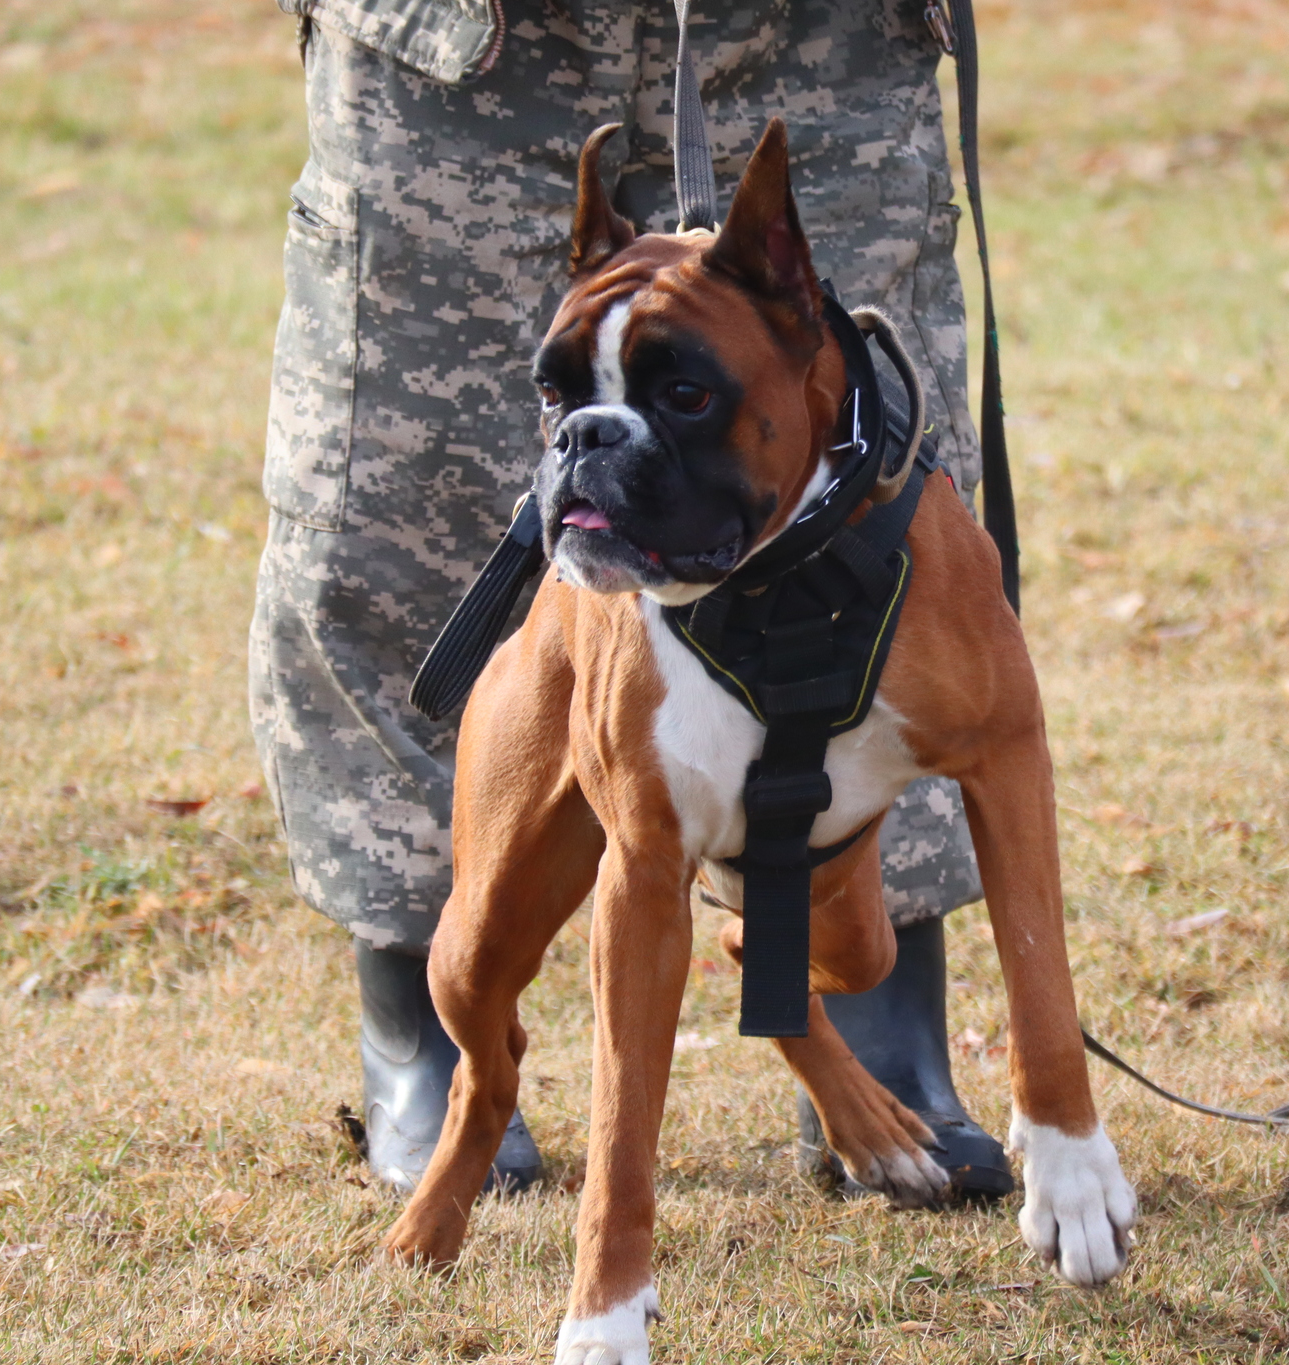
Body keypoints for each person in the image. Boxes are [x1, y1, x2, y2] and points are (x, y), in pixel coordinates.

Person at [247, 0, 1011, 1201]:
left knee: (862, 498)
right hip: (468, 44)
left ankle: (873, 1000)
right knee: (405, 498)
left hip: (815, 32)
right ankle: (433, 1009)